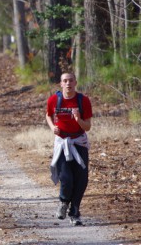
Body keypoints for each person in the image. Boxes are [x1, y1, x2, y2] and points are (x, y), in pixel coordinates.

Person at [45, 72, 92, 226]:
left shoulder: (83, 101)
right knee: (66, 178)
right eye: (65, 81)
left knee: (81, 180)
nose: (68, 83)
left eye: (71, 80)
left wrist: (78, 119)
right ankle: (64, 202)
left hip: (79, 143)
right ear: (61, 83)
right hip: (62, 143)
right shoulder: (54, 99)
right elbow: (48, 115)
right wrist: (53, 127)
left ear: (75, 82)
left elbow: (88, 126)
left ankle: (75, 213)